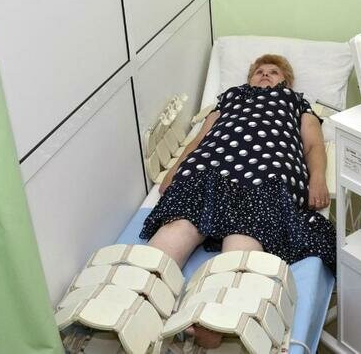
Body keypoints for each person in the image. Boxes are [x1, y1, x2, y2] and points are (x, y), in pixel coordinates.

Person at [139, 54, 334, 348]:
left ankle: (214, 315)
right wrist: (175, 169)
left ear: (286, 81)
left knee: (245, 237)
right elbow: (198, 139)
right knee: (179, 226)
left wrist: (317, 178)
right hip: (210, 166)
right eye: (259, 71)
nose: (265, 74)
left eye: (273, 71)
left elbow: (314, 145)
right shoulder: (231, 97)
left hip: (267, 172)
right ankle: (141, 297)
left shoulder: (297, 102)